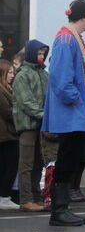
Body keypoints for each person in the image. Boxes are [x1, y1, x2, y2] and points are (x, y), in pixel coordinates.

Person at [41, 0, 85, 226]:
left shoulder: (71, 38)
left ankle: (62, 208)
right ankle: (59, 209)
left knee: (71, 157)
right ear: (83, 17)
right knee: (67, 157)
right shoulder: (66, 39)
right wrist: (75, 100)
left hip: (74, 111)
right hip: (71, 112)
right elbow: (61, 78)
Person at [12, 39, 49, 213]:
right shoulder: (23, 75)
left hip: (40, 124)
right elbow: (26, 102)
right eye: (39, 53)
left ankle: (36, 197)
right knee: (26, 164)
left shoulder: (44, 74)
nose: (41, 56)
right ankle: (26, 199)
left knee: (38, 163)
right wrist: (45, 115)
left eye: (43, 53)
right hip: (28, 125)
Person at [0, 60, 19, 209]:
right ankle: (4, 197)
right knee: (8, 166)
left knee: (9, 166)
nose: (12, 75)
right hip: (6, 135)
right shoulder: (1, 91)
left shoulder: (8, 89)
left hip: (9, 134)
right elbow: (7, 112)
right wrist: (21, 115)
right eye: (10, 73)